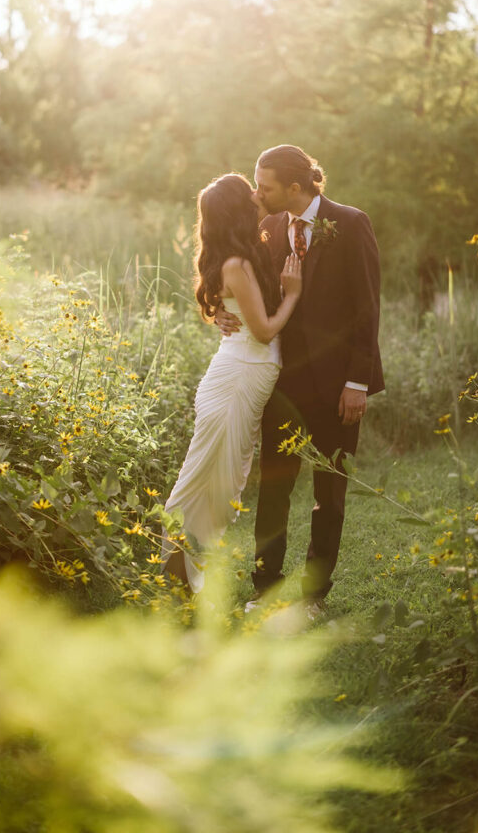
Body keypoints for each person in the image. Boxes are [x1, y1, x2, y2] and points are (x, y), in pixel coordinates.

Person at [217, 145, 384, 617]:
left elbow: (367, 307)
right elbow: (238, 281)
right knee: (274, 490)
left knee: (328, 494)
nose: (257, 193)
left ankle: (313, 597)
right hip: (282, 383)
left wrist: (358, 381)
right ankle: (264, 588)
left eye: (264, 185)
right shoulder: (266, 228)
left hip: (337, 386)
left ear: (295, 187)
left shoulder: (351, 223)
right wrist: (218, 312)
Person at [162, 172, 303, 592]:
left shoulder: (243, 253)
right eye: (250, 192)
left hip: (244, 372)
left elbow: (231, 312)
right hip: (239, 375)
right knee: (203, 476)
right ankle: (173, 567)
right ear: (238, 209)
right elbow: (262, 331)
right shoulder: (237, 263)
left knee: (222, 481)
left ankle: (179, 571)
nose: (257, 195)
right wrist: (293, 293)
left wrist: (218, 315)